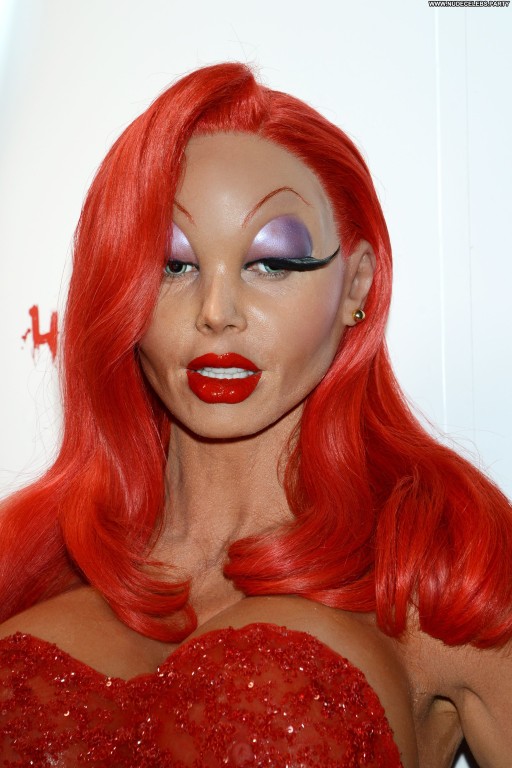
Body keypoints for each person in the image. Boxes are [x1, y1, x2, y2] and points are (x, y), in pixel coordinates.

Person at [0, 62, 510, 767]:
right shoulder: (26, 562)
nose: (216, 313)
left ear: (356, 284)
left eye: (271, 263)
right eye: (172, 265)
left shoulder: (444, 567)